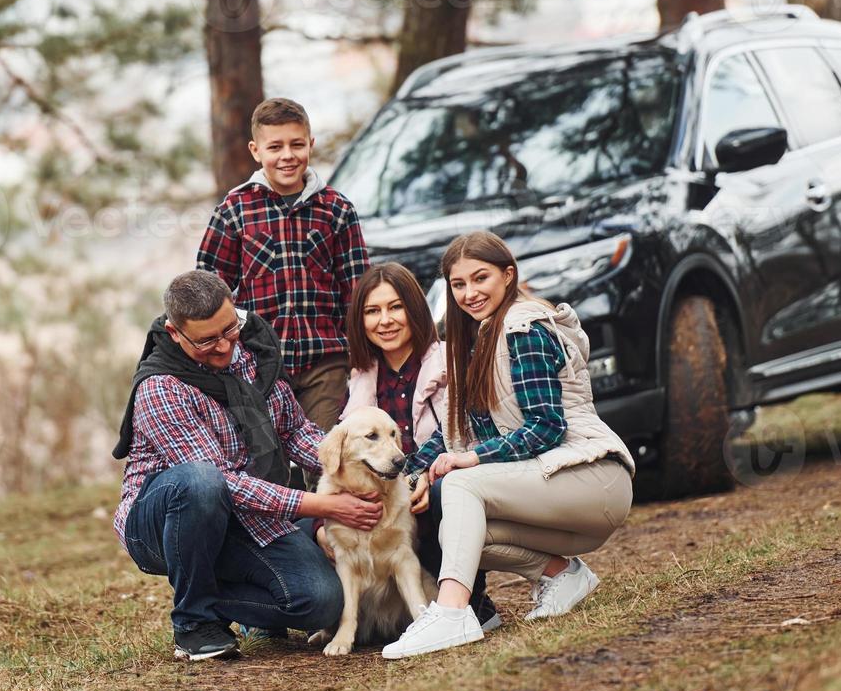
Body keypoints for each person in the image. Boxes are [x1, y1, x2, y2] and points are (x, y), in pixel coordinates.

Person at [381, 231, 636, 660]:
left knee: (461, 486)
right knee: (459, 528)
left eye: (480, 278)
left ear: (508, 275)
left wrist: (470, 460)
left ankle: (453, 613)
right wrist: (414, 475)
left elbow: (546, 427)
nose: (470, 293)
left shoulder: (524, 328)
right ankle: (561, 574)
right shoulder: (475, 342)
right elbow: (453, 435)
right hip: (550, 484)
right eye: (458, 284)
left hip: (593, 477)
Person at [112, 270, 384, 661]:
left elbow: (295, 432)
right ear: (175, 333)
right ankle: (194, 621)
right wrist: (321, 505)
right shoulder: (162, 387)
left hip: (248, 518)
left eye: (229, 330)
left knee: (323, 602)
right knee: (202, 482)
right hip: (164, 522)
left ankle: (220, 591)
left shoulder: (254, 354)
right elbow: (223, 483)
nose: (224, 348)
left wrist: (360, 460)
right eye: (207, 340)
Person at [328, 261, 499, 631]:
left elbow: (462, 427)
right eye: (372, 311)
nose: (384, 321)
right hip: (384, 501)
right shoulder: (360, 379)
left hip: (440, 481)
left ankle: (472, 602)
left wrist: (418, 472)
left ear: (415, 309)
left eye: (395, 307)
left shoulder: (451, 360)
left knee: (442, 492)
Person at [196, 98, 370, 437]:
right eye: (275, 146)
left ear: (311, 144)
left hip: (326, 360)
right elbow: (209, 287)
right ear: (256, 150)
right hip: (260, 365)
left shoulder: (336, 209)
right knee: (270, 462)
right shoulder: (235, 210)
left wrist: (361, 356)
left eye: (296, 144)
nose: (287, 156)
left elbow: (357, 288)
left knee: (322, 454)